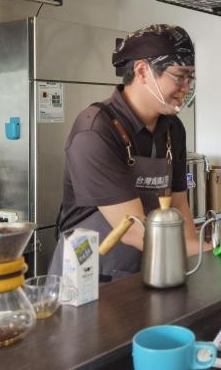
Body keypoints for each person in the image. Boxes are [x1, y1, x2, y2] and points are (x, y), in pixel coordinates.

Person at [50, 24, 200, 281]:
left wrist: (200, 256)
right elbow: (132, 228)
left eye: (191, 78)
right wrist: (204, 251)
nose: (187, 87)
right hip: (90, 275)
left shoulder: (173, 128)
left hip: (150, 266)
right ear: (142, 71)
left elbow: (178, 204)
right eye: (179, 76)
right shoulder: (95, 130)